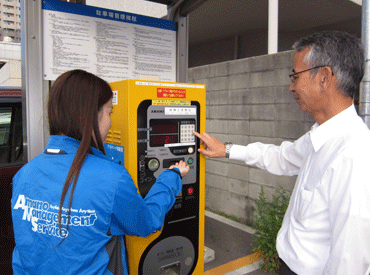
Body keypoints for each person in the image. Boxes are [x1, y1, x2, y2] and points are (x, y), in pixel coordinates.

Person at [193, 30, 370, 275]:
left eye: (296, 76)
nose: (291, 87)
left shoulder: (354, 154)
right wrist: (227, 150)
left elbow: (350, 262)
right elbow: (281, 157)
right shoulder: (321, 136)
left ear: (324, 77)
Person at [11, 69, 189, 275]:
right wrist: (172, 176)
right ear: (91, 116)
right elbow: (146, 222)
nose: (111, 122)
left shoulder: (25, 173)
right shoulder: (111, 178)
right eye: (109, 112)